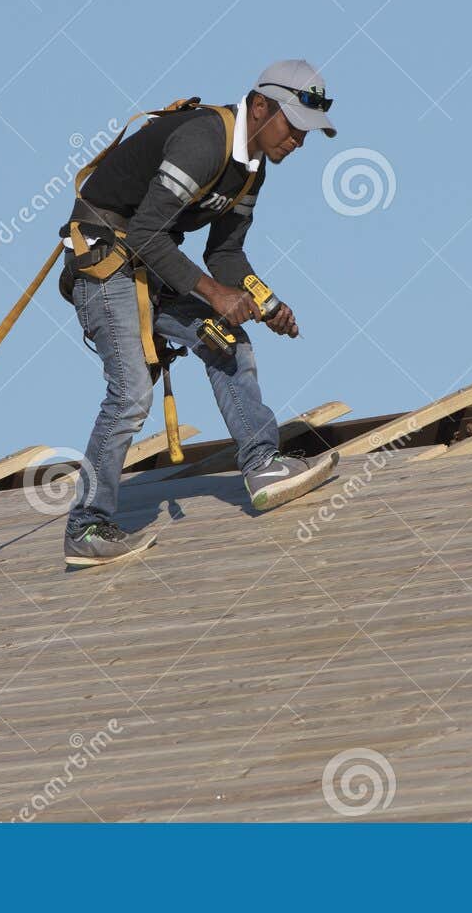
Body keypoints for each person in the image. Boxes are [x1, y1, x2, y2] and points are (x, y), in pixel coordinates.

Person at [60, 60, 341, 570]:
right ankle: (87, 527)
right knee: (131, 392)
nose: (299, 141)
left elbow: (225, 256)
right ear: (259, 107)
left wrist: (268, 303)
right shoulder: (204, 142)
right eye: (295, 125)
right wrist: (214, 294)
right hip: (104, 261)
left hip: (151, 262)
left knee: (225, 339)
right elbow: (144, 232)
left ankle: (262, 466)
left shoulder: (251, 173)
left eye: (308, 132)